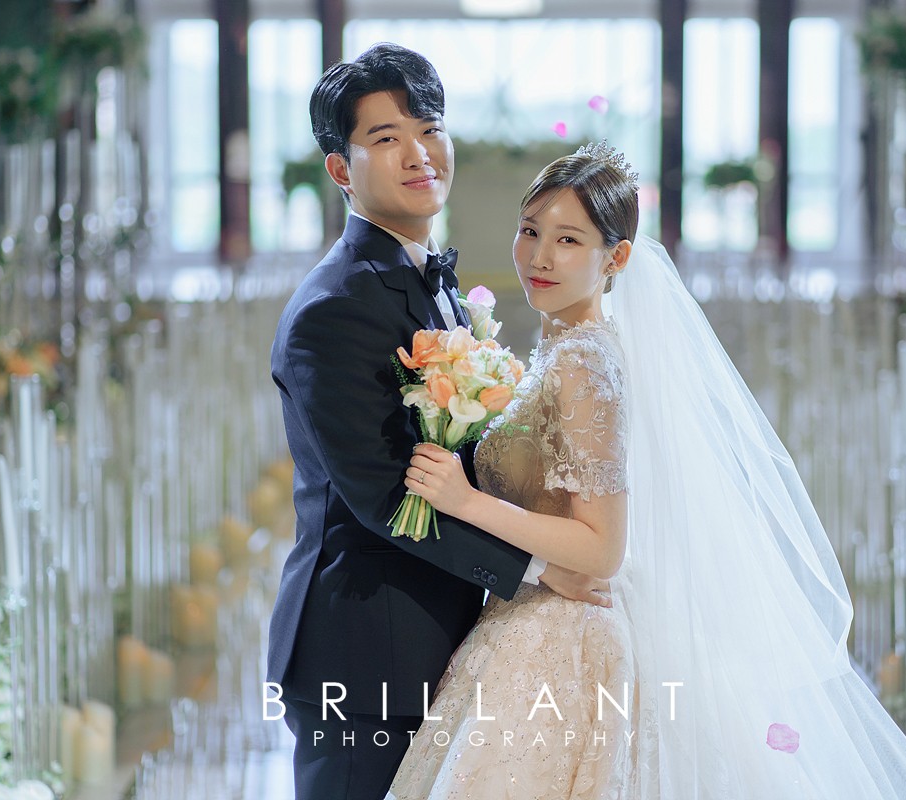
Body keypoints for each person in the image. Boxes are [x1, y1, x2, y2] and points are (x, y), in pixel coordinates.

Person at [389, 143, 906, 798]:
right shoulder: (563, 349)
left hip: (561, 634)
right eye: (530, 231)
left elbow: (602, 548)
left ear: (616, 258)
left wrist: (466, 502)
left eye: (569, 240)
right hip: (533, 614)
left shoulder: (582, 364)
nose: (540, 257)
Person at [267, 43, 607, 800]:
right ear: (341, 168)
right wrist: (542, 569)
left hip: (439, 631)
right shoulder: (335, 309)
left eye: (430, 129)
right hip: (366, 652)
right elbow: (386, 495)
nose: (419, 154)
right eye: (387, 138)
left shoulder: (429, 284)